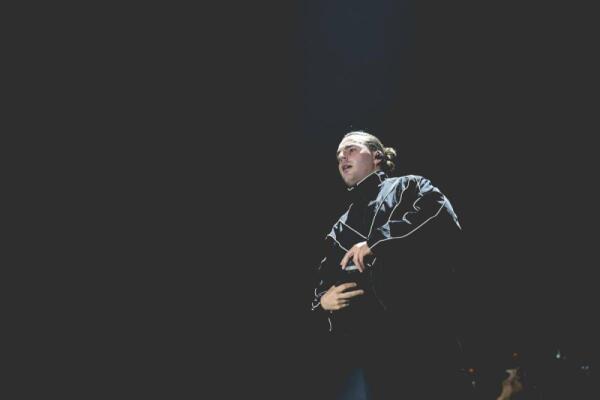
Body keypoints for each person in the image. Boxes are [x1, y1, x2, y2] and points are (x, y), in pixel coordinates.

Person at [310, 131, 464, 399]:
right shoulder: (340, 228)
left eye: (351, 149)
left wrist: (375, 243)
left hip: (427, 331)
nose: (342, 157)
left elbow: (439, 215)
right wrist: (323, 301)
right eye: (338, 156)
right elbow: (325, 280)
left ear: (377, 156)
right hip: (376, 350)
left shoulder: (410, 186)